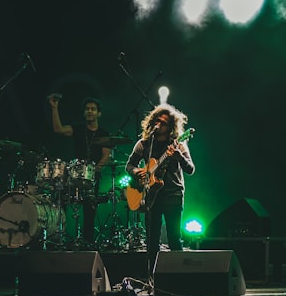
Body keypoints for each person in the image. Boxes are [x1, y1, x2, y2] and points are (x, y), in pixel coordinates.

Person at [125, 103, 195, 280]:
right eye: (157, 121)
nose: (159, 125)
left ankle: (180, 277)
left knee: (174, 238)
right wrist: (137, 172)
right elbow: (129, 165)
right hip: (150, 196)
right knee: (152, 240)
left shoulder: (179, 144)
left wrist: (179, 157)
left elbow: (191, 169)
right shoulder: (143, 144)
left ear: (171, 126)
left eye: (163, 122)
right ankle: (153, 278)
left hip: (173, 194)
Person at [48, 95, 114, 245]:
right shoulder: (77, 129)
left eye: (93, 109)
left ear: (99, 113)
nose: (89, 111)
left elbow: (106, 155)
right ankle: (60, 236)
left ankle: (88, 242)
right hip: (74, 174)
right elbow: (58, 129)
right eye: (87, 109)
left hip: (93, 175)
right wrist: (54, 108)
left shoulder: (104, 133)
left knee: (90, 211)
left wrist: (96, 169)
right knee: (62, 202)